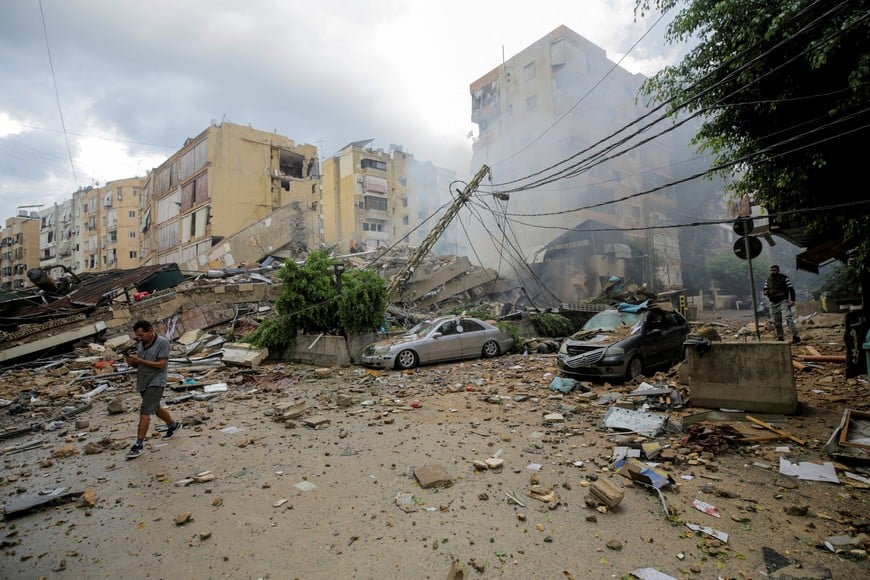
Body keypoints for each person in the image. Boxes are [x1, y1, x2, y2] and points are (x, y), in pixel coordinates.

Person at [124, 320, 182, 459]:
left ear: (151, 331)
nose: (140, 338)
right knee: (154, 407)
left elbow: (161, 364)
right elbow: (138, 366)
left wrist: (140, 361)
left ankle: (139, 444)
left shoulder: (162, 342)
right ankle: (172, 425)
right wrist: (131, 361)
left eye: (142, 335)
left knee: (145, 410)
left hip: (157, 380)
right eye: (138, 336)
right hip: (143, 380)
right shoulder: (142, 344)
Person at [763, 265, 800, 343]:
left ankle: (796, 336)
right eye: (771, 270)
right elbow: (765, 289)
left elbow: (791, 289)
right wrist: (765, 292)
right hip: (773, 302)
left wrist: (792, 300)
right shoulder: (768, 280)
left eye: (774, 270)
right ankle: (780, 337)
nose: (773, 272)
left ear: (778, 270)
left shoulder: (784, 278)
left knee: (788, 317)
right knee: (776, 321)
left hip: (783, 300)